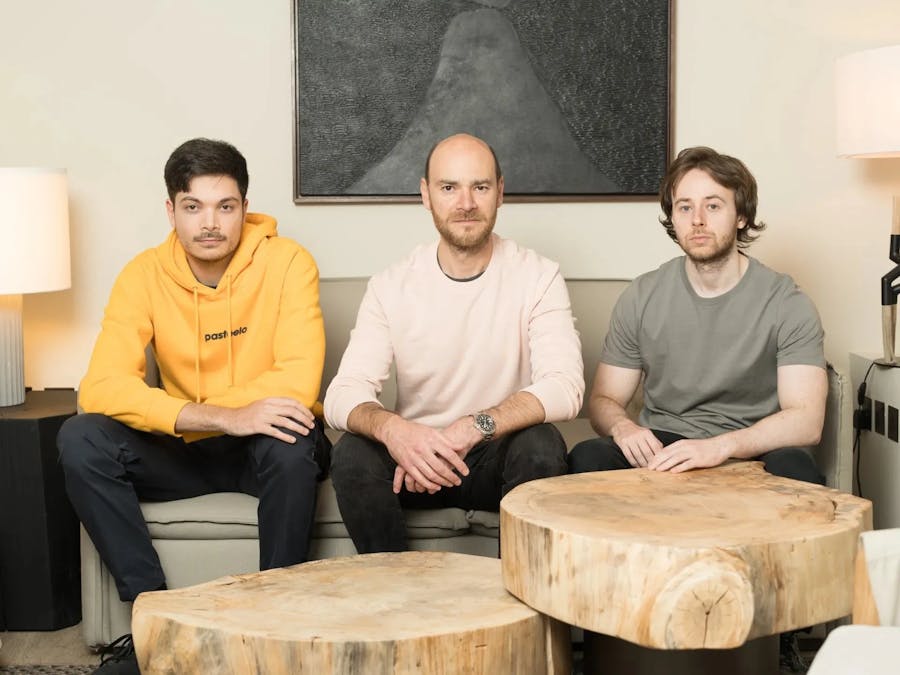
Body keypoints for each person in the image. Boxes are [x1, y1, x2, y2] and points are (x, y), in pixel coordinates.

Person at [58, 138, 328, 675]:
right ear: (171, 210)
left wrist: (239, 420)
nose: (210, 223)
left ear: (245, 207)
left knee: (294, 438)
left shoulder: (289, 263)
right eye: (193, 206)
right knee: (80, 437)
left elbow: (297, 381)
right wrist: (218, 416)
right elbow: (100, 386)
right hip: (183, 448)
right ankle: (155, 624)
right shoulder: (142, 275)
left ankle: (274, 629)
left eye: (225, 206)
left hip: (263, 448)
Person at [324, 133, 584, 554]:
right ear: (426, 195)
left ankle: (517, 591)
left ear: (500, 192)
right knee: (353, 452)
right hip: (415, 463)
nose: (466, 203)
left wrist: (475, 427)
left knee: (541, 444)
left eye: (480, 187)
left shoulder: (538, 276)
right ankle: (394, 590)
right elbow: (342, 394)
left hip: (492, 458)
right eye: (449, 187)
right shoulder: (391, 285)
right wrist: (397, 433)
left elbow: (565, 386)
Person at [568, 146, 827, 486]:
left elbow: (807, 420)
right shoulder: (642, 296)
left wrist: (721, 446)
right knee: (588, 457)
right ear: (673, 217)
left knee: (798, 470)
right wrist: (624, 427)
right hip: (666, 443)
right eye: (685, 207)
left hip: (753, 445)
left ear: (741, 216)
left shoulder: (787, 303)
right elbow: (605, 399)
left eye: (713, 206)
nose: (697, 220)